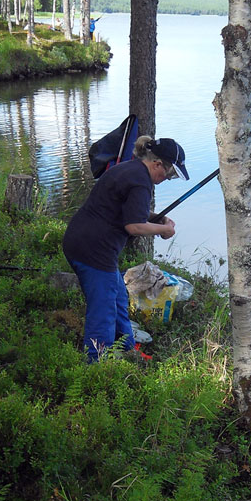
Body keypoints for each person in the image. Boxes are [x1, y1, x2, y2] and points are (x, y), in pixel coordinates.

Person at [62, 136, 189, 362]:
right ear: (158, 164)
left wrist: (158, 220)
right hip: (93, 251)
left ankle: (128, 349)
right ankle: (97, 365)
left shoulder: (131, 169)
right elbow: (134, 226)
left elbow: (131, 212)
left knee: (119, 297)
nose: (168, 178)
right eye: (169, 173)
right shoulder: (141, 181)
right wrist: (162, 231)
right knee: (103, 310)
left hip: (83, 242)